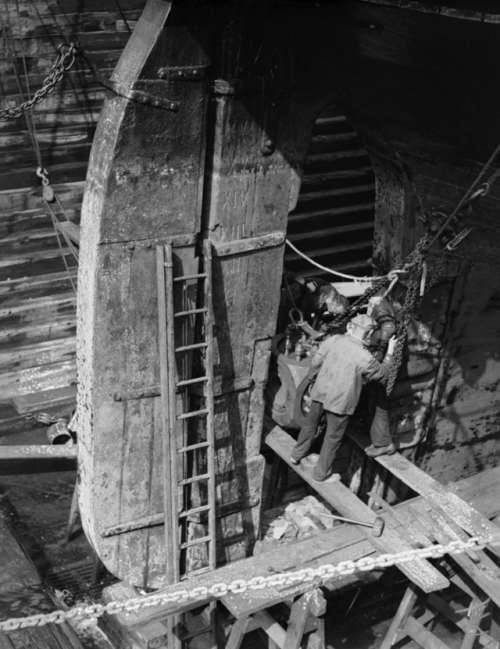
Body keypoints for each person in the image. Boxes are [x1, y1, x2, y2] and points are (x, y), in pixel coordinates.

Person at [290, 314, 397, 484]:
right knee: (332, 438)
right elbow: (383, 375)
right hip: (340, 403)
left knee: (310, 425)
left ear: (349, 327)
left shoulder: (332, 340)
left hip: (320, 393)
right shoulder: (364, 356)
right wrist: (391, 350)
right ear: (369, 335)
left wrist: (311, 381)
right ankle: (321, 475)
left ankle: (296, 456)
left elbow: (316, 362)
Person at [278, 272, 349, 331]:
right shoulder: (320, 289)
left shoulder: (328, 303)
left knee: (305, 327)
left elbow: (319, 314)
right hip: (289, 299)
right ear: (333, 303)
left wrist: (313, 329)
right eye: (335, 311)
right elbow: (300, 279)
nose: (334, 315)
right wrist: (287, 274)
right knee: (282, 324)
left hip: (305, 307)